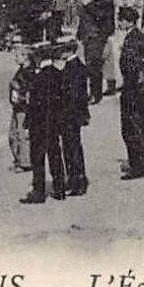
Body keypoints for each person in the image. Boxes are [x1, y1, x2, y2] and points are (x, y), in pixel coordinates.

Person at [20, 48, 68, 204]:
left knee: (38, 158)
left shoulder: (38, 78)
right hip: (54, 123)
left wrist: (27, 123)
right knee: (55, 155)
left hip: (39, 124)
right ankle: (59, 188)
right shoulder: (59, 75)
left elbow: (33, 105)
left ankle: (38, 191)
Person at [116, 6, 144, 179]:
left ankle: (138, 167)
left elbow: (132, 68)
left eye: (121, 19)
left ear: (128, 21)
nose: (119, 22)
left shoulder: (131, 41)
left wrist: (129, 86)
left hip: (134, 90)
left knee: (131, 127)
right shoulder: (141, 37)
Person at [60, 41, 92, 196]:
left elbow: (72, 95)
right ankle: (74, 179)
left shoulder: (73, 68)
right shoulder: (76, 65)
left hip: (70, 115)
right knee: (71, 147)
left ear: (68, 51)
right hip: (74, 114)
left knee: (72, 148)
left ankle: (77, 181)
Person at [8, 47, 35, 173]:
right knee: (14, 134)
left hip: (23, 108)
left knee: (22, 134)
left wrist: (19, 96)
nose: (15, 58)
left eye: (18, 55)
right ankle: (18, 159)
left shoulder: (29, 72)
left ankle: (25, 162)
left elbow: (30, 92)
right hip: (18, 106)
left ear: (26, 57)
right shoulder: (23, 70)